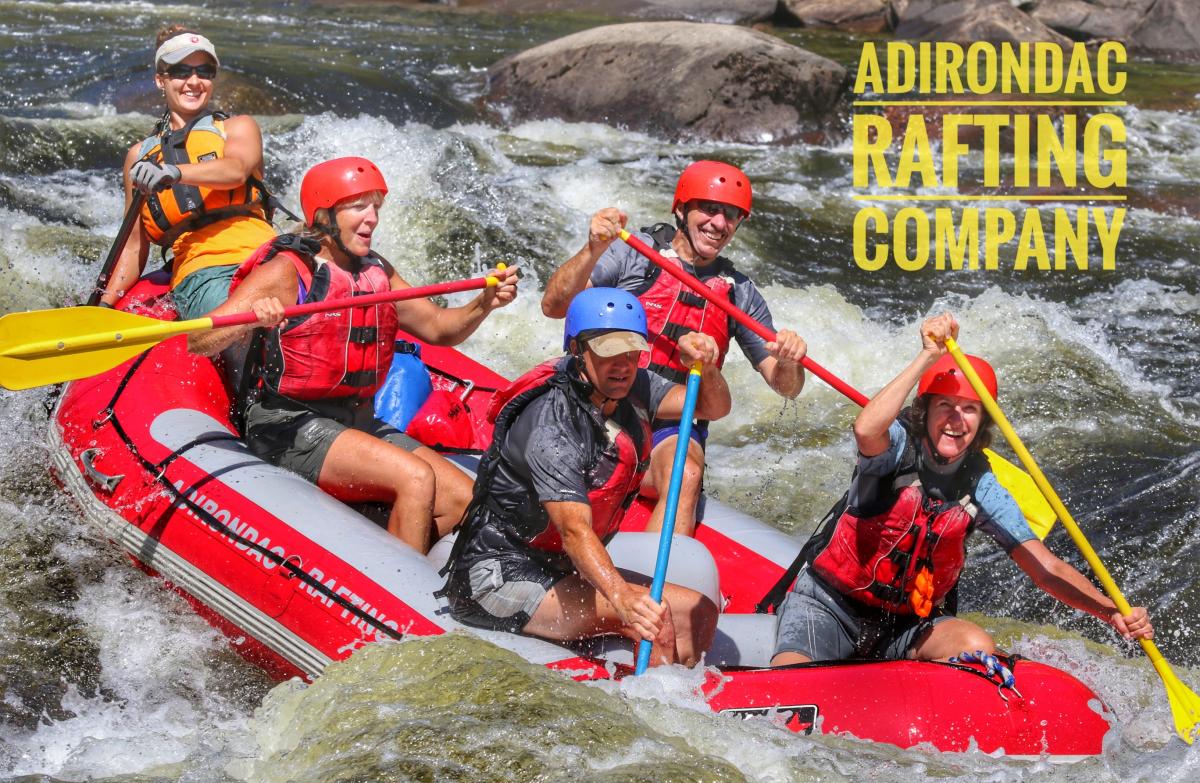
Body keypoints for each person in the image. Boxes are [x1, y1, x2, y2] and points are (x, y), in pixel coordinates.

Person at [771, 312, 1154, 667]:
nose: (956, 419)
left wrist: (1111, 612)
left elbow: (1046, 569)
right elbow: (866, 429)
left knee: (976, 644)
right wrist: (927, 356)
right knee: (789, 683)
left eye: (969, 409)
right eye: (946, 405)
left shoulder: (981, 486)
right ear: (927, 411)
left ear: (982, 420)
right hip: (829, 607)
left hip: (905, 628)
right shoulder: (897, 450)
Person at [187, 156, 519, 554]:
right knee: (415, 478)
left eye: (376, 206)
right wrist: (253, 319)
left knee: (464, 498)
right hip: (289, 425)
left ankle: (379, 553)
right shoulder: (289, 270)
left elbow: (438, 328)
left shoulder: (375, 270)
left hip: (357, 421)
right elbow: (199, 341)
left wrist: (484, 303)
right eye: (359, 206)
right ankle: (400, 598)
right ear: (325, 216)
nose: (372, 218)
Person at [443, 288, 728, 666]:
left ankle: (689, 692)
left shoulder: (633, 385)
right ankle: (654, 712)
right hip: (499, 574)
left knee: (700, 610)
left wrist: (706, 368)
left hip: (559, 566)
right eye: (610, 353)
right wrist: (622, 597)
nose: (623, 365)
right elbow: (575, 531)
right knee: (655, 621)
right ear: (577, 349)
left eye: (632, 353)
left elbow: (713, 407)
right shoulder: (552, 422)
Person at [541, 160, 809, 536]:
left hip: (671, 421)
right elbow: (554, 306)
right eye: (710, 209)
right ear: (681, 209)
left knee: (688, 474)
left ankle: (653, 587)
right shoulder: (633, 253)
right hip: (601, 399)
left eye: (731, 216)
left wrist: (790, 360)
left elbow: (786, 386)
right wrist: (592, 250)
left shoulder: (739, 292)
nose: (719, 224)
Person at [98, 25, 277, 319]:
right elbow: (132, 249)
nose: (194, 82)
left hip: (267, 256)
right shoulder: (139, 157)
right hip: (203, 271)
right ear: (160, 79)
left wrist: (173, 173)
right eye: (181, 71)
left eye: (204, 72)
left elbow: (236, 170)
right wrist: (104, 306)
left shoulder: (238, 127)